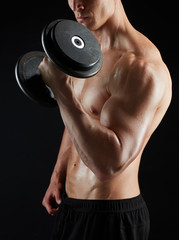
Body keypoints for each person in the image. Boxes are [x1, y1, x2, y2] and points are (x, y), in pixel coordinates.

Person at [38, 0, 172, 239]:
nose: (77, 5)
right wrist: (57, 175)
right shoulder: (87, 50)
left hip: (111, 219)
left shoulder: (141, 67)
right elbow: (79, 116)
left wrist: (61, 91)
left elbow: (109, 164)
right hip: (72, 208)